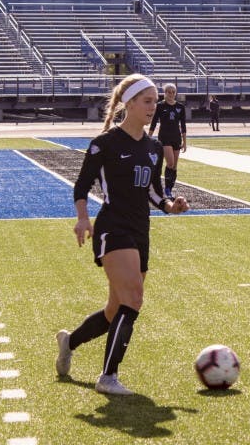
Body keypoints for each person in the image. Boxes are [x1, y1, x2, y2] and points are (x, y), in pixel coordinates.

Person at [55, 74, 189, 396]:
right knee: (134, 298)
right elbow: (82, 184)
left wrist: (171, 205)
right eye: (147, 101)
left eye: (155, 101)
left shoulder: (154, 147)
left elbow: (154, 193)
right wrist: (83, 218)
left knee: (115, 310)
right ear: (129, 103)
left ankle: (69, 341)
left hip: (141, 230)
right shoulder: (105, 143)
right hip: (113, 227)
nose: (153, 107)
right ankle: (108, 377)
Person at [148, 83, 186, 198]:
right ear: (164, 93)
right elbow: (154, 122)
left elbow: (183, 125)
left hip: (176, 137)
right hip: (164, 137)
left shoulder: (180, 107)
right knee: (170, 163)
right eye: (168, 92)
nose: (171, 94)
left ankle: (169, 188)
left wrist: (185, 141)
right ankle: (167, 190)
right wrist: (148, 137)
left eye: (173, 92)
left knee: (174, 166)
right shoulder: (160, 106)